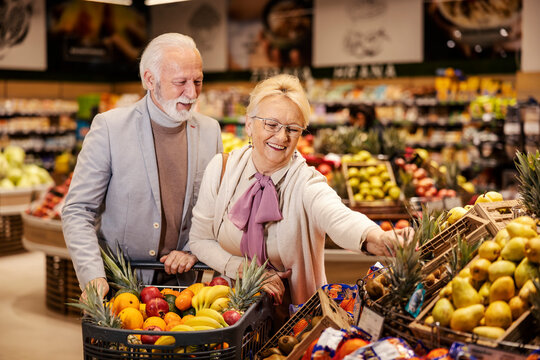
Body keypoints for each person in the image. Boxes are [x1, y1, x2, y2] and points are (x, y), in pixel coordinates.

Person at [188, 74, 412, 309]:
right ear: (249, 124)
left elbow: (337, 216)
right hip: (223, 311)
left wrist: (376, 238)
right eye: (271, 125)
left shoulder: (306, 182)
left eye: (293, 129)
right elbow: (200, 240)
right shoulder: (221, 170)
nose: (282, 137)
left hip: (293, 321)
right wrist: (241, 268)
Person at [62, 33, 223, 299]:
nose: (192, 93)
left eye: (198, 81)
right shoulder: (110, 128)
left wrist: (194, 250)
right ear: (150, 80)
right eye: (181, 82)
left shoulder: (209, 130)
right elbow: (78, 210)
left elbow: (215, 208)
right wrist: (93, 275)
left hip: (185, 288)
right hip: (121, 286)